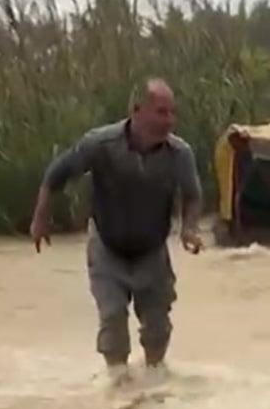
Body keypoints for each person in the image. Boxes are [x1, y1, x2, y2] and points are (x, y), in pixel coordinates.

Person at [29, 78, 205, 385]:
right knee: (112, 319)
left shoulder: (180, 154)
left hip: (152, 250)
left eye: (172, 113)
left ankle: (154, 384)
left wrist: (189, 228)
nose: (169, 121)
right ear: (137, 110)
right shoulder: (100, 144)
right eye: (161, 112)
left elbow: (192, 195)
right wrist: (40, 217)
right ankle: (117, 393)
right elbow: (55, 175)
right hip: (107, 247)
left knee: (157, 326)